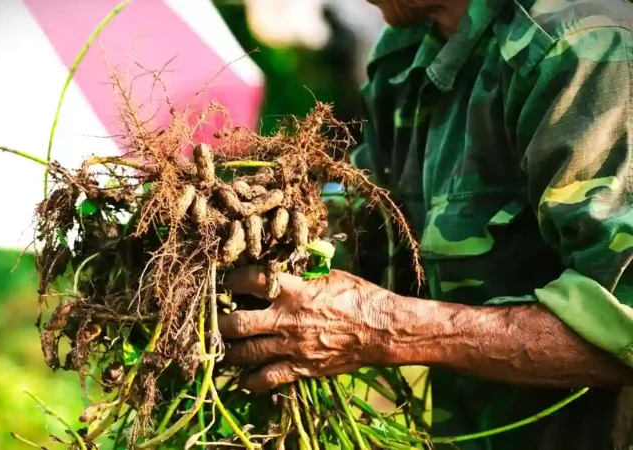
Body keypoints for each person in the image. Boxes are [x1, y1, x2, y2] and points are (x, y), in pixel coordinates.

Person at [218, 0, 633, 448]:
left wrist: (386, 328)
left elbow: (624, 321)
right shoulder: (407, 46)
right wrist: (244, 236)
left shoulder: (581, 49)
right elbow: (377, 231)